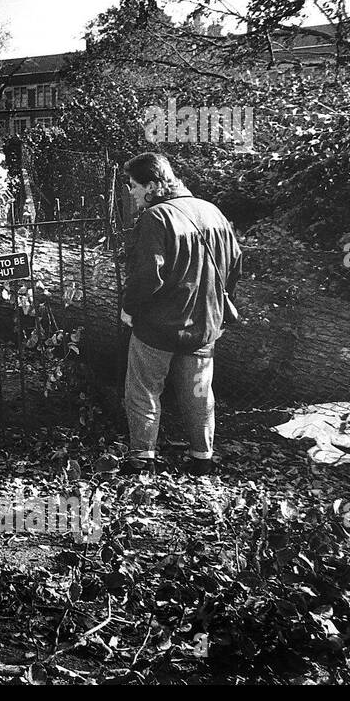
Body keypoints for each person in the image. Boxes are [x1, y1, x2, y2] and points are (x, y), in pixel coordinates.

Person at [120, 153, 242, 474]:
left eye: (133, 186)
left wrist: (129, 309)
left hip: (158, 327)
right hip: (203, 326)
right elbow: (236, 265)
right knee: (199, 393)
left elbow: (148, 276)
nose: (130, 193)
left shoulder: (156, 217)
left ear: (152, 186)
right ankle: (203, 459)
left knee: (144, 390)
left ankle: (142, 460)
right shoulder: (213, 211)